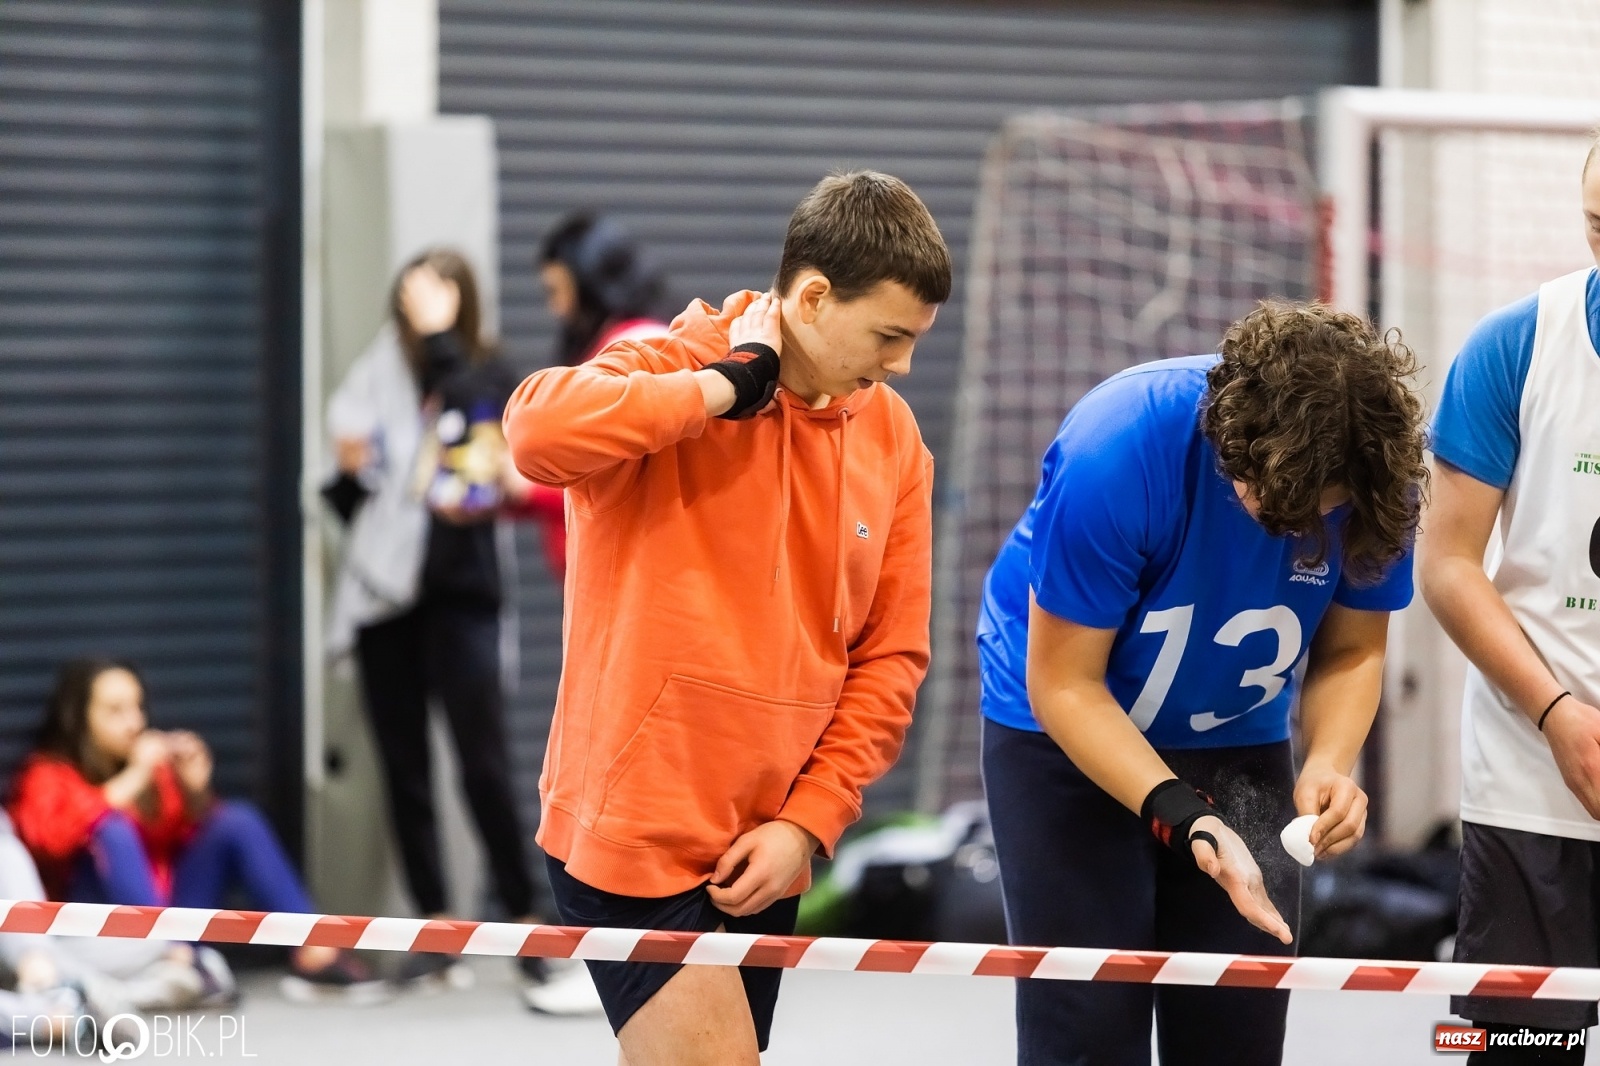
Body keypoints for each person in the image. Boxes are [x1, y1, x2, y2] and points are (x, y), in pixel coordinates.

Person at [503, 170, 951, 1065]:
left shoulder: (895, 437)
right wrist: (728, 385)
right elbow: (533, 434)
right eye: (889, 335)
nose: (901, 363)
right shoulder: (680, 359)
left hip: (766, 847)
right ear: (815, 297)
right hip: (635, 833)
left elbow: (890, 657)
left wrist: (807, 822)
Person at [977, 303, 1428, 1066]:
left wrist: (1327, 762)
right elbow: (1066, 684)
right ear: (1230, 445)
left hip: (1237, 734)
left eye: (1319, 508)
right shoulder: (1116, 448)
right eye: (1271, 500)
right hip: (1064, 731)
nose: (1288, 530)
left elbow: (1352, 650)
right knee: (1087, 1024)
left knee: (1238, 1027)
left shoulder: (1380, 481)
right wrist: (1185, 817)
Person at [324, 249, 582, 1004]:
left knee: (484, 766)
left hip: (462, 594)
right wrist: (351, 469)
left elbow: (482, 433)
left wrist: (442, 342)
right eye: (412, 305)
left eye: (435, 304)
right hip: (385, 599)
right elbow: (345, 485)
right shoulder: (375, 375)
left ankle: (529, 921)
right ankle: (436, 930)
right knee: (403, 770)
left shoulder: (488, 369)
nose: (420, 317)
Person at [1419, 138, 1600, 1065]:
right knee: (1515, 1053)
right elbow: (1446, 563)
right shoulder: (1515, 345)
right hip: (1533, 781)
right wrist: (1558, 712)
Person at [6, 658, 385, 1004]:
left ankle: (313, 951)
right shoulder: (47, 774)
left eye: (138, 707)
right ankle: (174, 958)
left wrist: (194, 793)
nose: (134, 722)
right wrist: (131, 781)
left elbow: (178, 844)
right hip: (98, 934)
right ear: (78, 717)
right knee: (112, 830)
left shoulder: (153, 770)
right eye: (115, 711)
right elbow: (49, 842)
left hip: (168, 918)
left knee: (236, 821)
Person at [512, 213, 670, 580]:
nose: (556, 307)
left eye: (557, 290)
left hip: (623, 574)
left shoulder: (638, 348)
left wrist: (527, 485)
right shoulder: (609, 343)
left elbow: (622, 475)